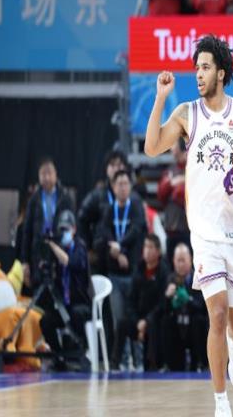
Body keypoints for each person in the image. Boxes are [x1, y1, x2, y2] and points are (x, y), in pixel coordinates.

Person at [144, 34, 233, 417]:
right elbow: (152, 147)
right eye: (196, 68)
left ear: (220, 71)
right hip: (203, 234)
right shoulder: (188, 114)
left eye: (204, 67)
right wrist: (160, 98)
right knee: (215, 314)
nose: (198, 74)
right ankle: (220, 402)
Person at [93, 170, 147, 333]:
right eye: (119, 184)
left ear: (130, 186)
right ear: (113, 187)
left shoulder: (136, 208)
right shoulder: (109, 210)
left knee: (134, 317)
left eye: (125, 184)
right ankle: (121, 350)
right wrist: (115, 250)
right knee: (118, 318)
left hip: (133, 272)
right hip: (114, 274)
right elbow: (104, 233)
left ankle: (135, 350)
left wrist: (119, 246)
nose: (123, 187)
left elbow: (135, 231)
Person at [39, 210, 92, 365]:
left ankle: (82, 351)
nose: (63, 234)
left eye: (66, 230)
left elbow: (70, 262)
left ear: (74, 229)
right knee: (46, 320)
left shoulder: (80, 248)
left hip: (81, 303)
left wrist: (52, 245)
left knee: (76, 314)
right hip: (63, 305)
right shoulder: (58, 250)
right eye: (61, 230)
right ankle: (58, 355)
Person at [111, 234, 169, 371]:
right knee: (122, 323)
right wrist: (137, 321)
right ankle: (114, 364)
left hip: (154, 318)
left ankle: (152, 366)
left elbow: (162, 303)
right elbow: (131, 300)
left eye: (150, 247)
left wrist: (147, 321)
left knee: (156, 323)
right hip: (138, 319)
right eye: (145, 246)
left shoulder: (163, 271)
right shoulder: (138, 269)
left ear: (158, 251)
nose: (147, 250)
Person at [22, 158, 74, 291]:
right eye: (43, 174)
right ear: (39, 176)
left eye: (49, 173)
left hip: (59, 250)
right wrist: (25, 262)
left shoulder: (65, 197)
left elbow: (72, 228)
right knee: (39, 294)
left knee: (58, 294)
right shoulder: (34, 199)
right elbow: (27, 231)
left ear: (56, 175)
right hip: (38, 253)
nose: (46, 177)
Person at [161, 243, 208, 371]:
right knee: (165, 322)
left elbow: (202, 307)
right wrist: (167, 297)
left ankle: (200, 363)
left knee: (199, 321)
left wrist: (188, 300)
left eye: (183, 260)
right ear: (173, 261)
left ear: (190, 260)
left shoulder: (198, 279)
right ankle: (169, 365)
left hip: (193, 325)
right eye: (178, 260)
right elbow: (163, 309)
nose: (180, 264)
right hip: (177, 325)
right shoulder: (169, 279)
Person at [77, 150, 130, 262]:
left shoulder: (132, 196)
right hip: (102, 255)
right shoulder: (97, 195)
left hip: (127, 254)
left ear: (125, 168)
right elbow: (82, 220)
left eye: (119, 165)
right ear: (106, 169)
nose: (116, 168)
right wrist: (88, 248)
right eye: (112, 165)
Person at [157, 139, 191, 261]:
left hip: (190, 230)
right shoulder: (170, 171)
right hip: (172, 230)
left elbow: (181, 196)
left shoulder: (194, 169)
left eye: (174, 144)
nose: (171, 148)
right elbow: (161, 195)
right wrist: (172, 183)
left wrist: (181, 183)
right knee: (171, 264)